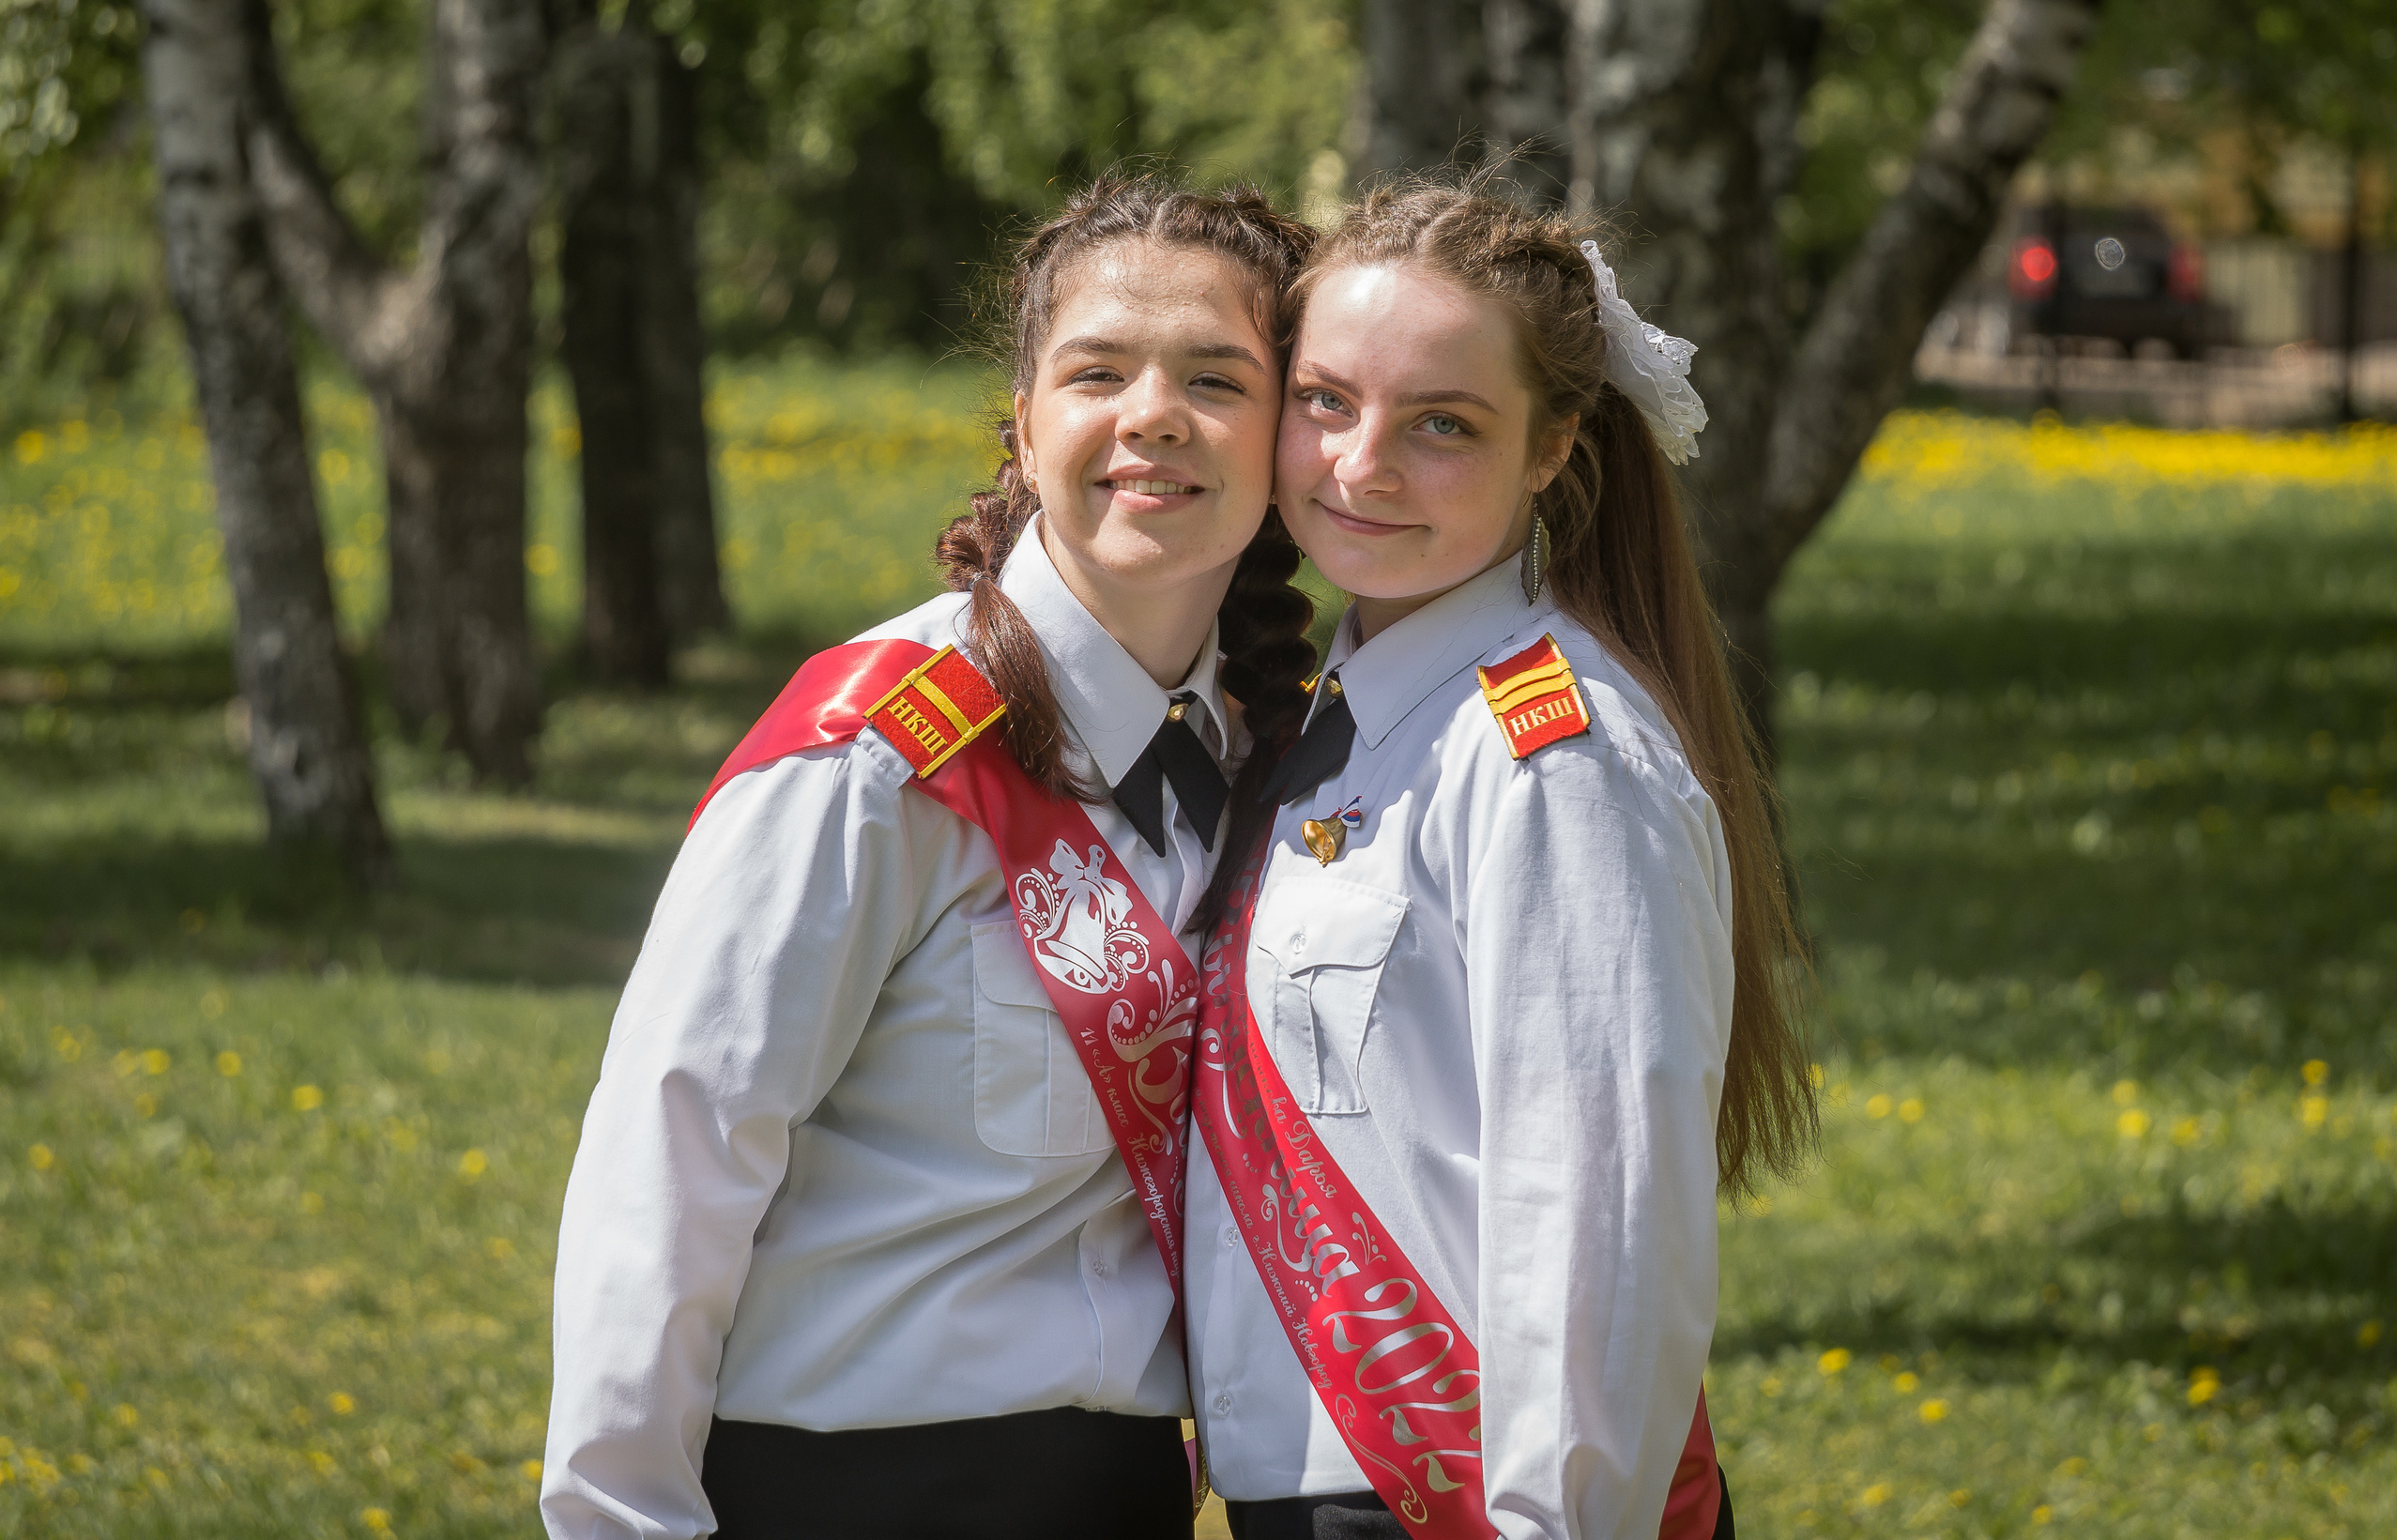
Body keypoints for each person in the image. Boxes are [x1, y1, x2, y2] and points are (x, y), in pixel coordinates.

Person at [539, 174, 1319, 1540]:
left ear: (1286, 439)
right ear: (1024, 427)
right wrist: (621, 1517)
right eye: (1097, 373)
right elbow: (678, 1145)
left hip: (1122, 1492)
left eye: (1216, 377)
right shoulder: (874, 761)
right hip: (852, 1486)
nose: (1152, 416)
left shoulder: (1264, 758)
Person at [1183, 177, 1818, 1540]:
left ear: (1553, 451)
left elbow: (1600, 1209)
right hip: (1316, 1481)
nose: (1363, 465)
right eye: (1328, 401)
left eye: (1444, 426)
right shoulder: (1339, 721)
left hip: (1465, 1500)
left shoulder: (1555, 760)